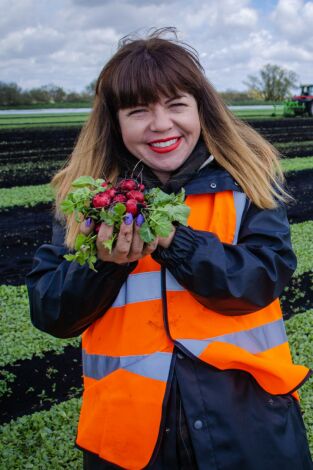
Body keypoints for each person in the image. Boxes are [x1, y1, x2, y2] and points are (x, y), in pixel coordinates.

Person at [26, 27, 313, 470]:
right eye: (138, 111)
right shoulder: (85, 198)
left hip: (249, 427)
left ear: (201, 109)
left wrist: (176, 242)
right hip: (130, 439)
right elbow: (51, 311)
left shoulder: (247, 182)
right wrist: (101, 266)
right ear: (114, 122)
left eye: (177, 104)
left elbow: (262, 279)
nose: (161, 125)